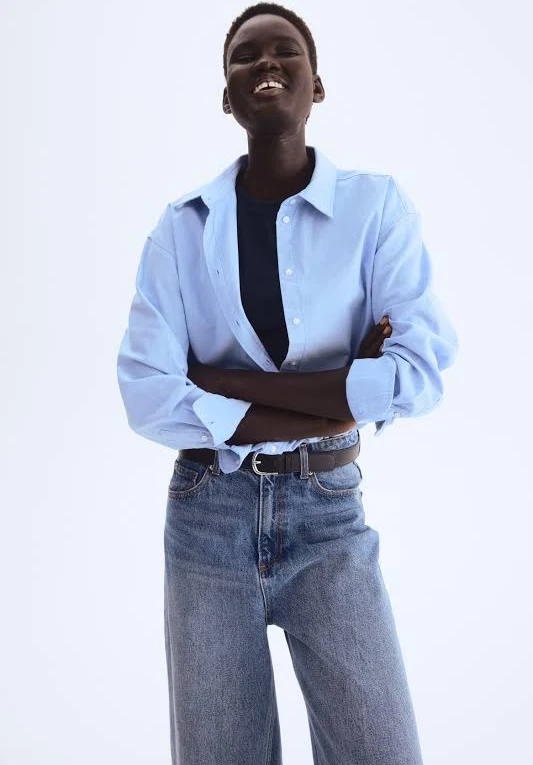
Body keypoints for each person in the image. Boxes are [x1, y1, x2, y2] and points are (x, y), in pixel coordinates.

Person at [116, 3, 458, 763]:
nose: (265, 63)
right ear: (227, 96)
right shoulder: (180, 228)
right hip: (206, 516)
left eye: (284, 51)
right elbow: (146, 392)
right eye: (245, 56)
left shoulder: (375, 209)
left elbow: (418, 373)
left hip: (329, 513)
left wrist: (215, 383)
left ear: (317, 85)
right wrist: (340, 393)